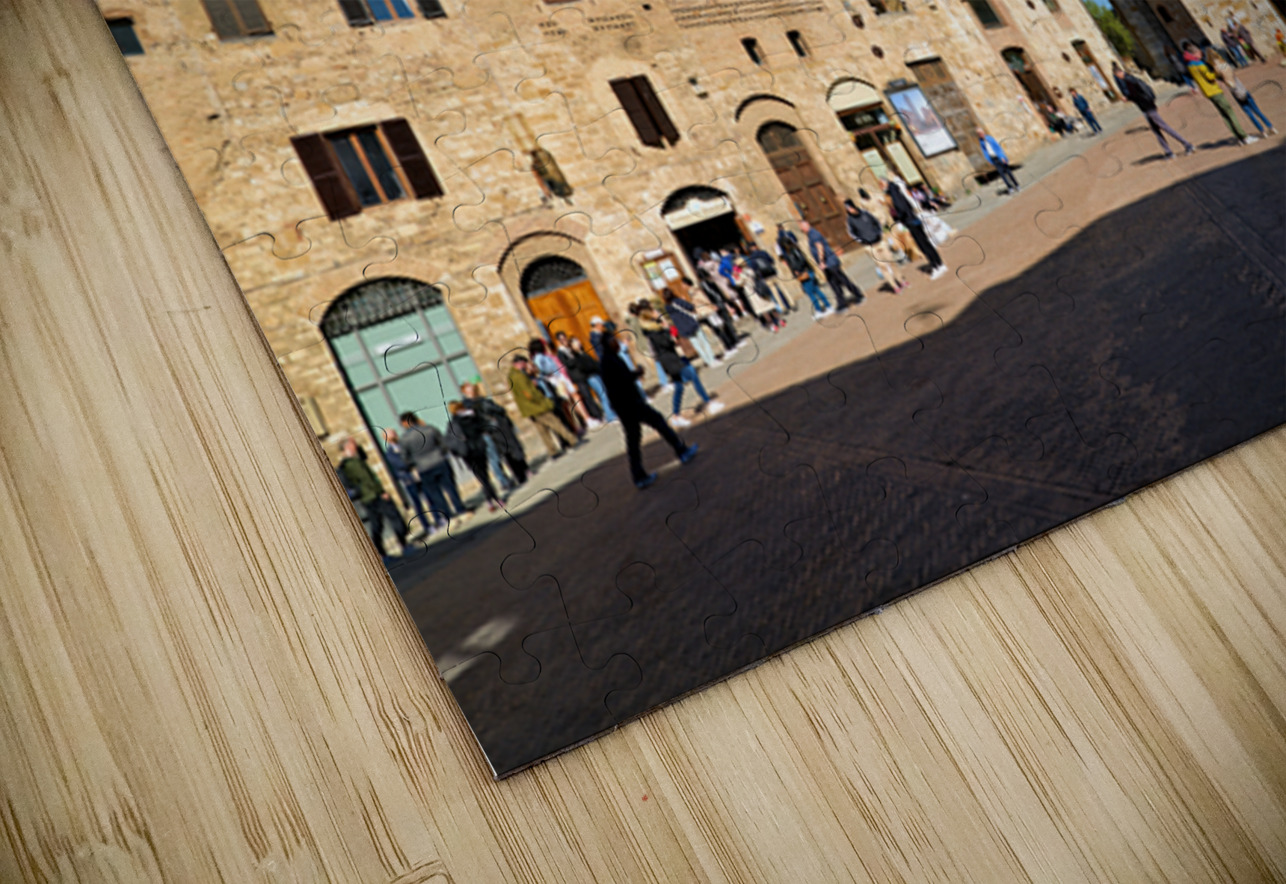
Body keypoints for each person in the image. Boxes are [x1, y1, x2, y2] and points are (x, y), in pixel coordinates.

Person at [597, 332, 700, 490]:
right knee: (657, 422)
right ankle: (681, 451)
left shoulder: (608, 360)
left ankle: (639, 476)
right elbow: (622, 380)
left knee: (634, 439)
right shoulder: (609, 361)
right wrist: (637, 373)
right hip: (630, 404)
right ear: (608, 343)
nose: (617, 343)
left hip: (625, 405)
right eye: (614, 340)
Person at [638, 304, 725, 427]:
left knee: (679, 387)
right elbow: (667, 342)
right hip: (670, 361)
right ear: (649, 316)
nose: (656, 312)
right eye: (653, 311)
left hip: (672, 359)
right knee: (693, 374)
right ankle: (708, 402)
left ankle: (676, 416)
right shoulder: (653, 332)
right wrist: (667, 329)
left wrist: (666, 329)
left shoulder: (656, 329)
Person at [337, 437, 407, 558]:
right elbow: (367, 480)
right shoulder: (353, 464)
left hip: (366, 498)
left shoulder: (349, 463)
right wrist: (381, 492)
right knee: (393, 517)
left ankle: (380, 552)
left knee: (377, 524)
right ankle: (404, 545)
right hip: (374, 495)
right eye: (354, 444)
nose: (356, 445)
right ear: (348, 447)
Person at [399, 412, 467, 531]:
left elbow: (405, 458)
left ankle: (449, 516)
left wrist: (413, 463)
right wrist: (441, 453)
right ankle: (460, 509)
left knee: (435, 494)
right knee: (450, 487)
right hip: (439, 461)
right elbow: (443, 444)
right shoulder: (430, 429)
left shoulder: (405, 439)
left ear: (405, 423)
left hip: (423, 468)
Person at [1113, 61, 1195, 158]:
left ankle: (1187, 144)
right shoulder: (1132, 79)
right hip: (1146, 106)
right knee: (1156, 130)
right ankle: (1168, 152)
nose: (1118, 78)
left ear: (1119, 73)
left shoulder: (1129, 81)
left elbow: (1137, 95)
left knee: (1164, 126)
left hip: (1147, 107)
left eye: (1117, 75)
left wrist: (1127, 98)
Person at [508, 355, 580, 458]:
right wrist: (543, 399)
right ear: (520, 363)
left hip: (528, 409)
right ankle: (572, 440)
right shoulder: (519, 376)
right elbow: (529, 393)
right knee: (555, 423)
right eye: (524, 363)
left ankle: (553, 451)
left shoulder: (511, 376)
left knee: (543, 431)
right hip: (537, 406)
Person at [462, 382, 528, 486]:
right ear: (465, 392)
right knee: (502, 454)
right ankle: (514, 477)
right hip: (491, 431)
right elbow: (480, 417)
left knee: (511, 448)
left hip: (498, 427)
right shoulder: (470, 405)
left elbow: (498, 409)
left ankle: (522, 472)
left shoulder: (481, 400)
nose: (472, 390)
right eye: (469, 389)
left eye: (472, 388)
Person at [1187, 43, 1255, 144]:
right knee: (1230, 113)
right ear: (1195, 53)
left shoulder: (1190, 66)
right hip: (1214, 91)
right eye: (1199, 52)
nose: (1201, 54)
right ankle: (1244, 136)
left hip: (1207, 93)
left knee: (1224, 115)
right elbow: (1209, 77)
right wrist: (1217, 72)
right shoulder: (1199, 65)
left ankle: (1238, 138)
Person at [445, 400, 504, 512]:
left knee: (481, 476)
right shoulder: (472, 417)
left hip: (467, 453)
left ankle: (491, 499)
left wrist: (457, 451)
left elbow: (448, 441)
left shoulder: (452, 424)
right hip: (478, 448)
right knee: (484, 475)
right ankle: (493, 498)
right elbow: (486, 427)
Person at [885, 176, 947, 280]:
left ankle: (936, 265)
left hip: (911, 220)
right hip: (915, 218)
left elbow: (902, 208)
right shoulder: (900, 189)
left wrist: (901, 217)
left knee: (923, 245)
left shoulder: (894, 192)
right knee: (925, 243)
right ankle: (939, 264)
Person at [529, 338, 597, 430]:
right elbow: (542, 369)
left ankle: (586, 419)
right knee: (567, 403)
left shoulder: (544, 356)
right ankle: (578, 425)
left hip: (559, 378)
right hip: (555, 380)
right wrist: (552, 371)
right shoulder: (538, 358)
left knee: (574, 398)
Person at [1207, 47, 1276, 137]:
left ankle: (1262, 131)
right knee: (1257, 110)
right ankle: (1270, 127)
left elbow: (1224, 81)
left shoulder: (1216, 70)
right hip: (1242, 88)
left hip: (1235, 91)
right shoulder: (1225, 64)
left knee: (1249, 113)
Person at [845, 198, 907, 293]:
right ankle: (894, 286)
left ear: (853, 206)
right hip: (869, 246)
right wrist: (862, 240)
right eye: (847, 209)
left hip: (879, 241)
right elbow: (852, 233)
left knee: (891, 261)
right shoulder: (850, 220)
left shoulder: (865, 213)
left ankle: (901, 281)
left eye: (850, 208)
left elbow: (876, 222)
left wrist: (879, 232)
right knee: (882, 266)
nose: (850, 210)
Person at [800, 220, 863, 310]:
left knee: (843, 280)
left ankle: (858, 294)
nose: (801, 229)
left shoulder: (813, 234)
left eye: (802, 227)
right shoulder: (810, 235)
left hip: (830, 262)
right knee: (834, 284)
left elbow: (820, 247)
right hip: (827, 265)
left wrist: (821, 261)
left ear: (806, 225)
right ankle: (842, 303)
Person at [777, 224, 831, 317]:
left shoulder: (790, 251)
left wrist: (797, 270)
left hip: (803, 272)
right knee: (816, 290)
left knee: (810, 292)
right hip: (808, 270)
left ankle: (819, 310)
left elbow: (797, 261)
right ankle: (828, 306)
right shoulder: (795, 247)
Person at [661, 286, 720, 366]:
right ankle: (712, 360)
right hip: (691, 323)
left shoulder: (667, 307)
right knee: (704, 342)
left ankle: (707, 361)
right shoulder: (678, 301)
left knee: (697, 345)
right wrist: (684, 300)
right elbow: (690, 307)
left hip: (683, 328)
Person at [730, 251, 786, 331]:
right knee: (767, 307)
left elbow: (740, 282)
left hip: (755, 291)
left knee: (766, 309)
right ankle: (776, 322)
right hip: (756, 290)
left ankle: (775, 323)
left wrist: (737, 276)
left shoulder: (743, 272)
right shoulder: (745, 270)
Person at [746, 241, 795, 313]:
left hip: (766, 277)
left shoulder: (751, 258)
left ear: (750, 249)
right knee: (783, 289)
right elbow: (771, 260)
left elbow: (754, 269)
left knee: (775, 293)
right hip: (773, 273)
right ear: (755, 246)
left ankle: (783, 307)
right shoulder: (763, 252)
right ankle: (792, 303)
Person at [976, 127, 1020, 192]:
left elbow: (998, 148)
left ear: (983, 132)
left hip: (1000, 157)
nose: (980, 134)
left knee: (1008, 172)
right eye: (979, 133)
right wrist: (988, 159)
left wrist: (1002, 157)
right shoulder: (981, 141)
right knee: (1002, 174)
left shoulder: (990, 138)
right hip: (994, 159)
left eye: (981, 133)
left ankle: (1017, 185)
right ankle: (1010, 187)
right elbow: (984, 151)